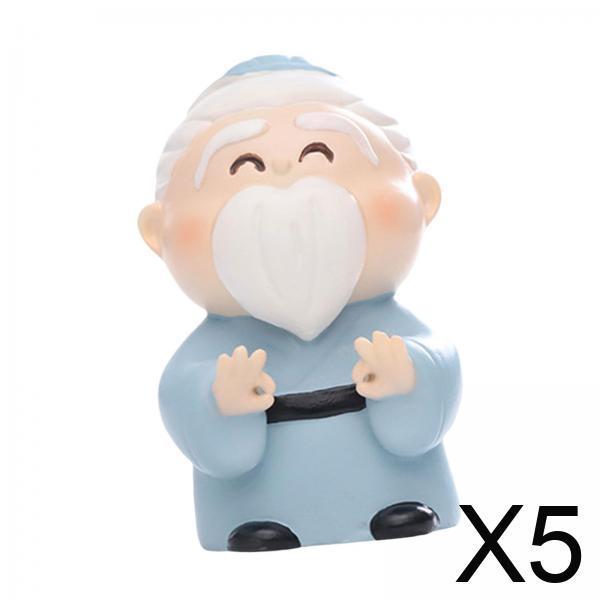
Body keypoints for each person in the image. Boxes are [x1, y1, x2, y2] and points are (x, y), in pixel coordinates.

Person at [138, 55, 461, 551]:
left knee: (403, 507)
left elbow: (438, 366)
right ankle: (259, 519)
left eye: (319, 155)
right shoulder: (213, 348)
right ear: (159, 233)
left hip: (401, 493)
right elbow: (184, 398)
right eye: (245, 166)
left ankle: (396, 504)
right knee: (256, 522)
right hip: (251, 506)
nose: (284, 174)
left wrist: (411, 374)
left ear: (423, 199)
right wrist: (218, 401)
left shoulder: (391, 324)